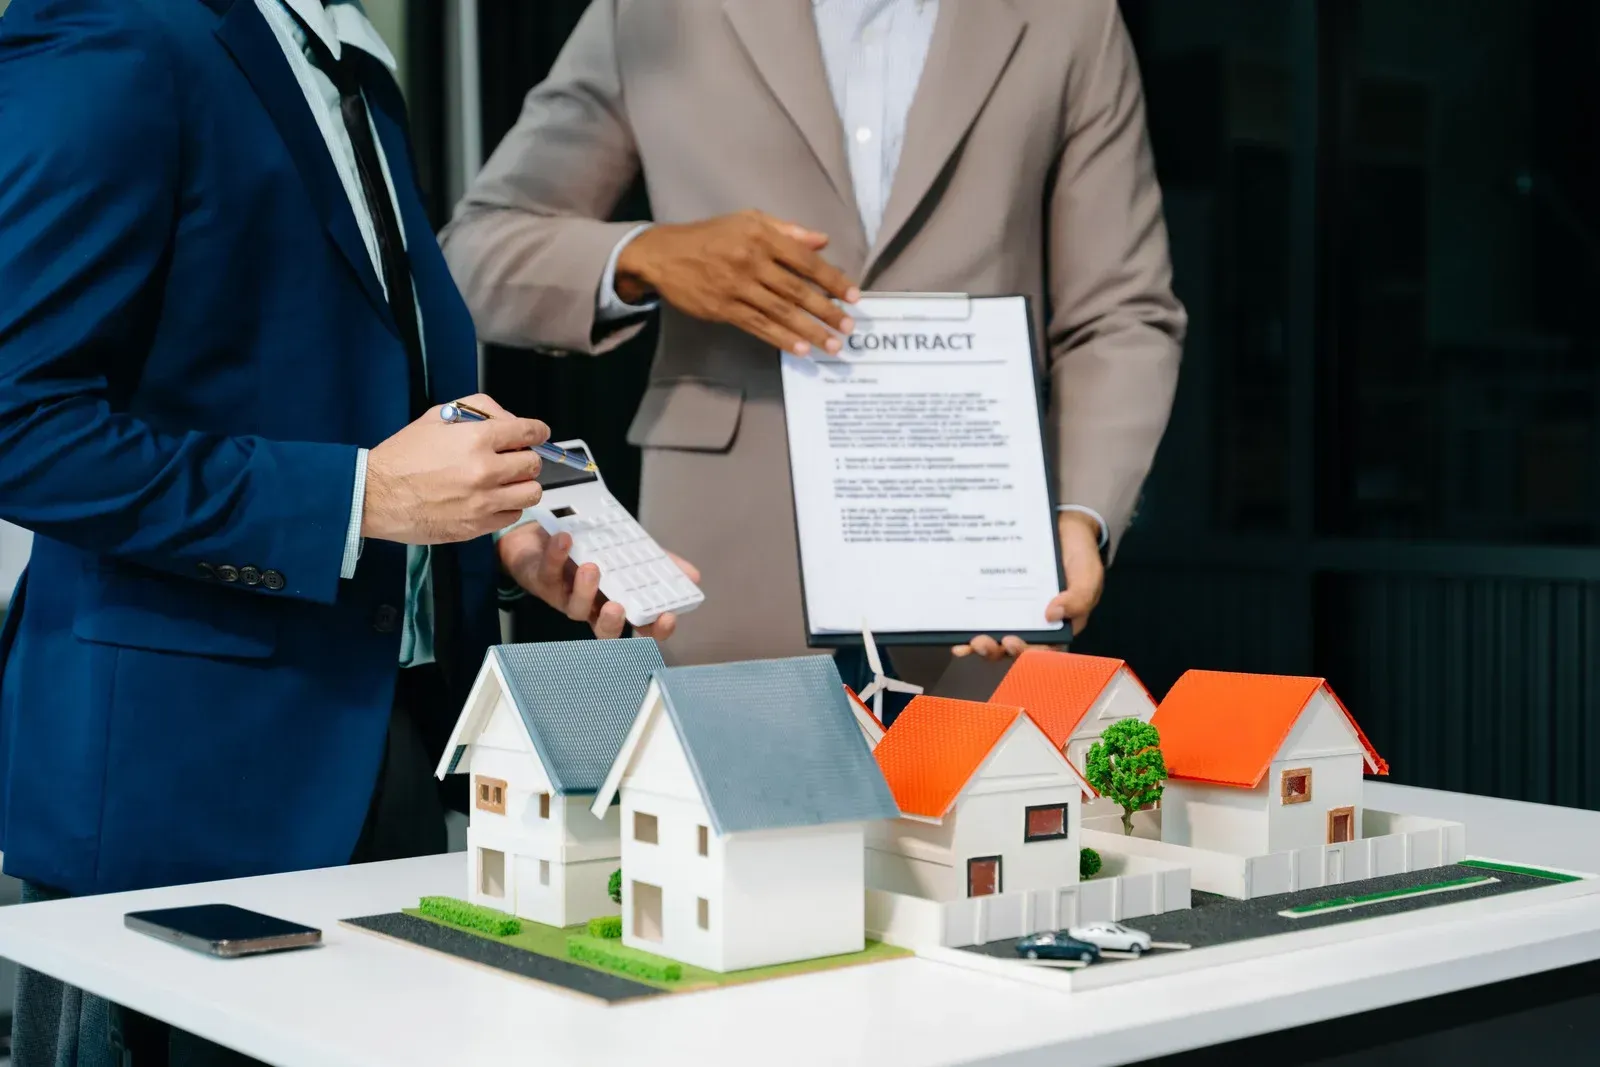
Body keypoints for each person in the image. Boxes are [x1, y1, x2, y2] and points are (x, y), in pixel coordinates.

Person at [0, 1, 686, 1062]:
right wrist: (357, 500)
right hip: (178, 791)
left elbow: (345, 396)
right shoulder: (118, 29)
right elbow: (18, 424)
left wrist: (496, 539)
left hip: (387, 756)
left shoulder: (351, 59)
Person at [440, 0, 1187, 687]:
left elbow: (1121, 310)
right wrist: (647, 257)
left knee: (987, 819)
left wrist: (1079, 514)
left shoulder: (1072, 19)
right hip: (722, 563)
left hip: (981, 570)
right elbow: (474, 253)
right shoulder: (653, 11)